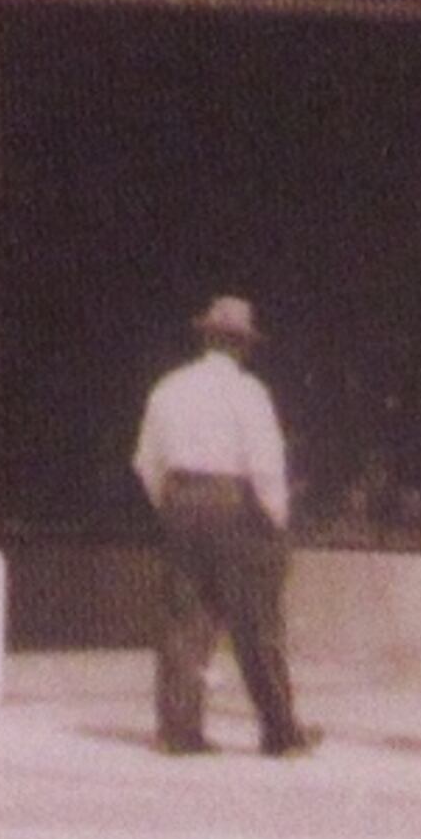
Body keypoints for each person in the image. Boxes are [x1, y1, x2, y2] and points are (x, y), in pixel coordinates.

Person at [131, 295, 316, 756]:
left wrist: (171, 504)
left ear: (206, 338)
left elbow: (145, 460)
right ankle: (279, 730)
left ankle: (179, 729)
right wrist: (276, 518)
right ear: (243, 346)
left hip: (181, 497)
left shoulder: (168, 387)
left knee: (184, 616)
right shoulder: (249, 392)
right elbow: (265, 463)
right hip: (233, 501)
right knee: (256, 619)